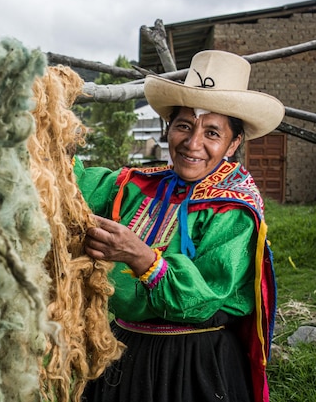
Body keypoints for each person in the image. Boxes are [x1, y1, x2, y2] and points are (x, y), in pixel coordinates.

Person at [76, 50, 283, 402]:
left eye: (212, 133)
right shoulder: (133, 186)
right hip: (122, 355)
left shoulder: (233, 209)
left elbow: (204, 298)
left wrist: (141, 257)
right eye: (184, 126)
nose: (192, 144)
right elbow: (68, 183)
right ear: (168, 128)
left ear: (233, 143)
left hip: (193, 364)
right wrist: (42, 117)